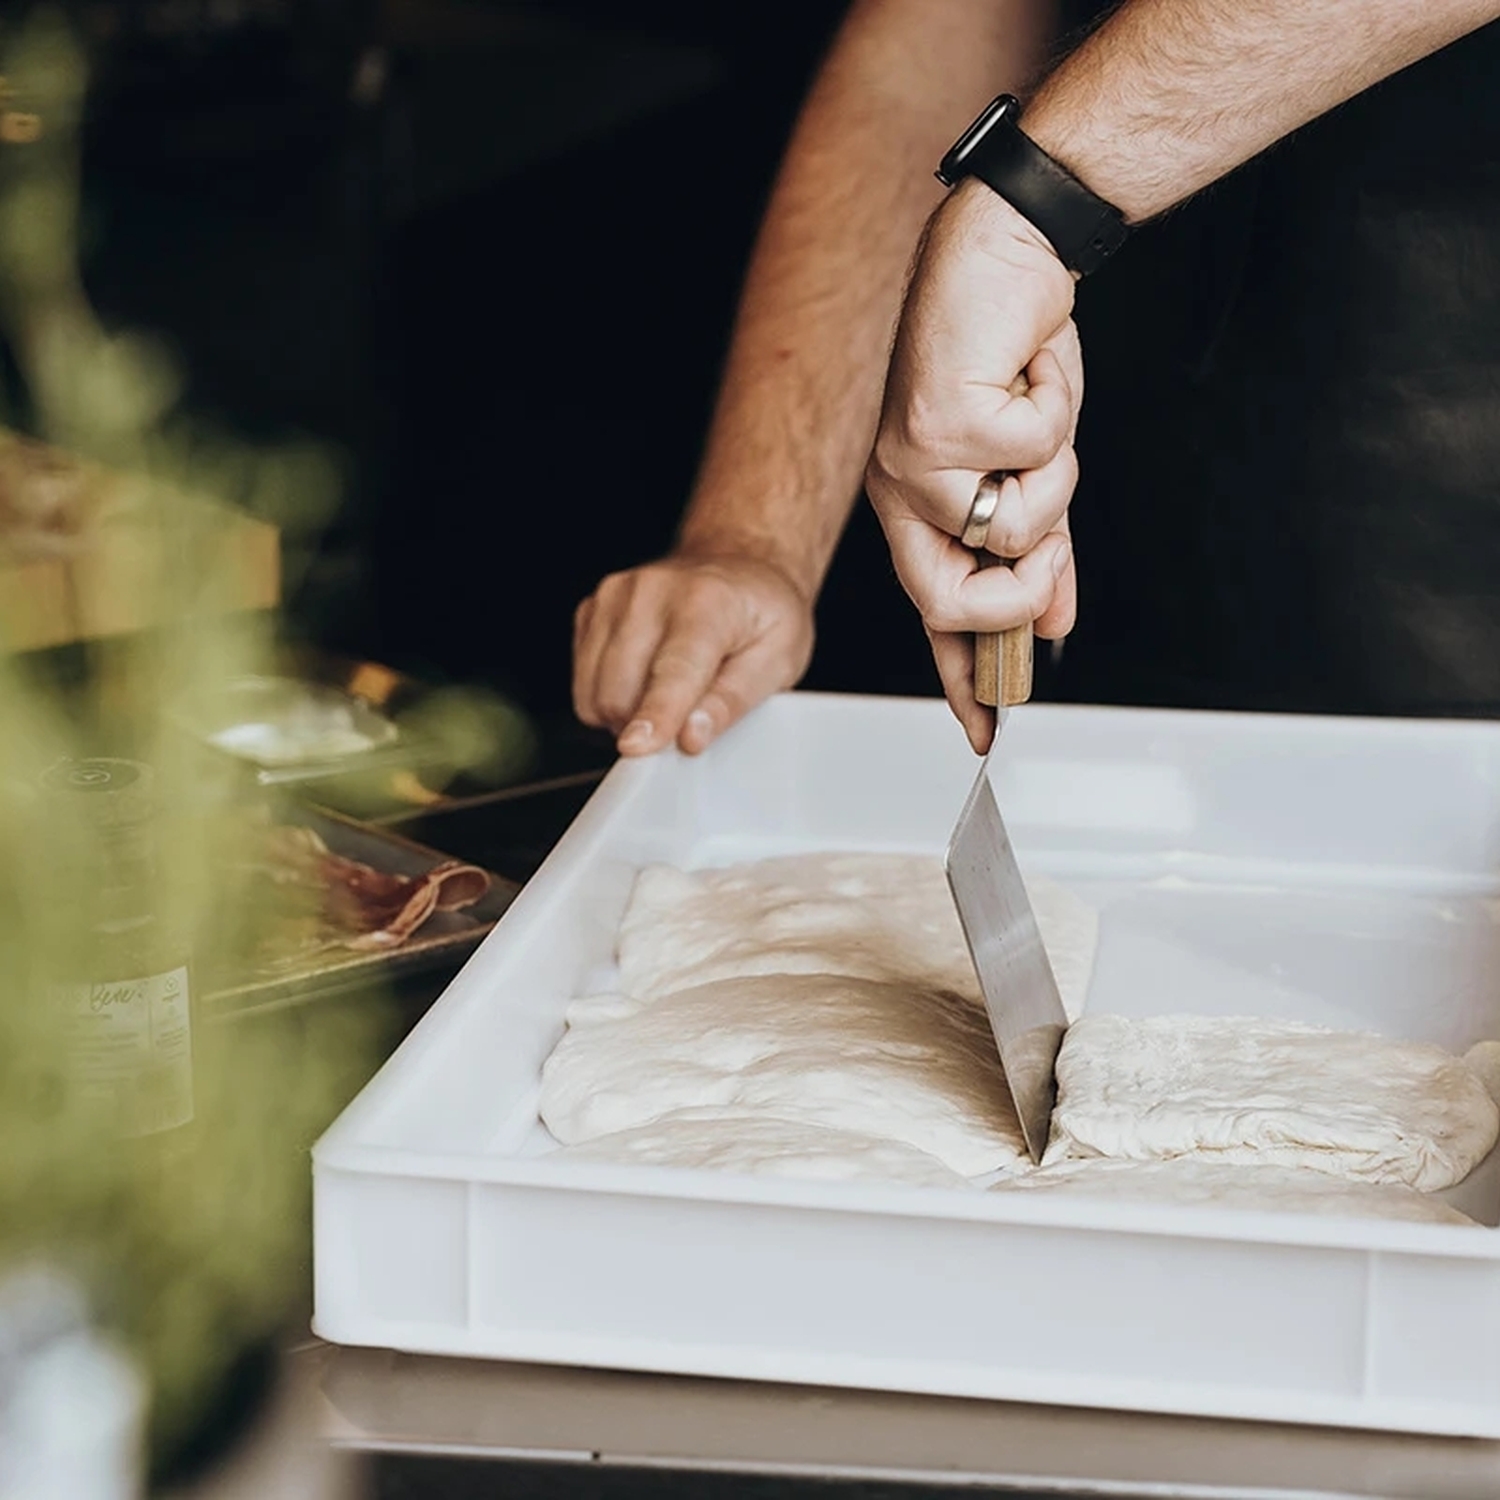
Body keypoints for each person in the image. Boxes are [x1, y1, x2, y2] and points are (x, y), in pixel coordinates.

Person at [573, 0, 1500, 758]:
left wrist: (1029, 206)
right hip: (1125, 553)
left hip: (1451, 565)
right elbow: (948, 24)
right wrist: (754, 535)